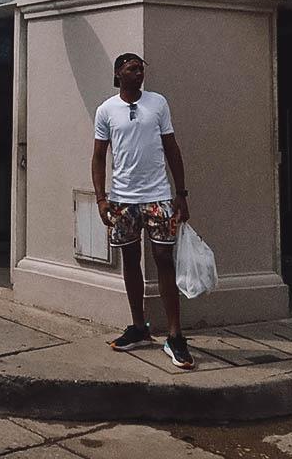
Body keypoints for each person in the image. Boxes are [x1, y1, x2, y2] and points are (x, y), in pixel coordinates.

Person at [91, 52, 194, 369]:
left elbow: (171, 147)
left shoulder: (158, 103)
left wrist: (181, 193)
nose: (139, 73)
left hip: (159, 197)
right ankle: (139, 328)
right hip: (122, 199)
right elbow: (98, 157)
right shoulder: (106, 110)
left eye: (141, 68)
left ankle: (175, 335)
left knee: (164, 259)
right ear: (118, 74)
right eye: (132, 68)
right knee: (130, 258)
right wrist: (101, 198)